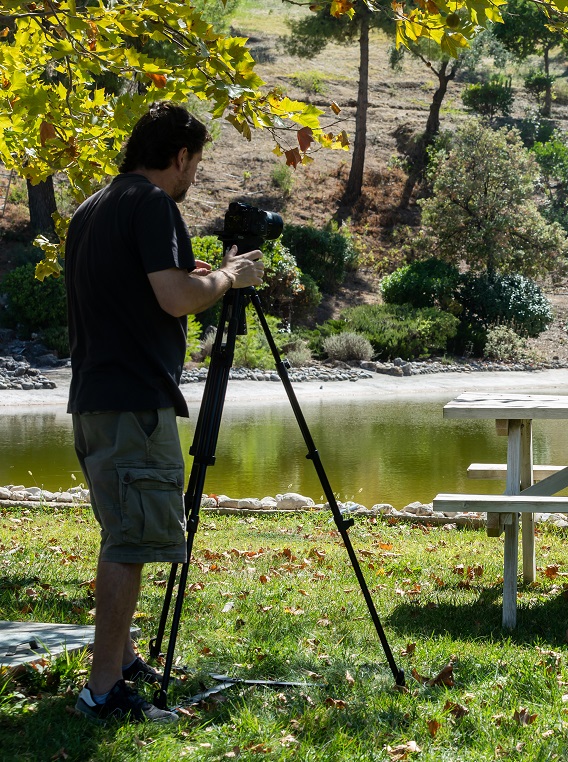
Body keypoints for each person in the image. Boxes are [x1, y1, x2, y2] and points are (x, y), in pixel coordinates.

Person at [66, 102, 265, 724]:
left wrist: (191, 274)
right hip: (134, 400)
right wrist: (229, 278)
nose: (195, 176)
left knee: (118, 527)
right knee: (130, 542)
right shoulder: (155, 205)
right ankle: (104, 694)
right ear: (180, 156)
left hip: (94, 396)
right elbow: (177, 299)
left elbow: (143, 288)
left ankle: (122, 662)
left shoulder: (92, 208)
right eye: (196, 162)